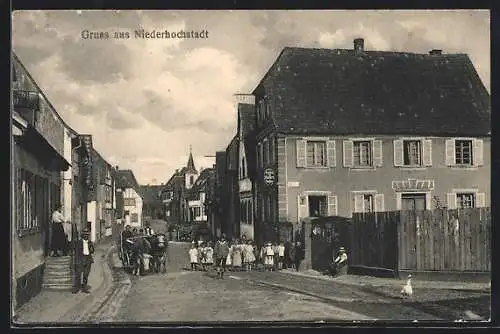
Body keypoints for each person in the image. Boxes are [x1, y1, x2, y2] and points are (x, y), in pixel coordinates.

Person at [73, 228, 94, 294]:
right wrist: (76, 261)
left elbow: (92, 251)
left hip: (88, 259)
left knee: (86, 275)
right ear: (82, 235)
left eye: (87, 235)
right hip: (80, 259)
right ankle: (77, 288)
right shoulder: (79, 242)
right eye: (85, 235)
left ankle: (84, 288)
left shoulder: (90, 242)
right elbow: (76, 252)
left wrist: (91, 247)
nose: (86, 236)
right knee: (78, 274)